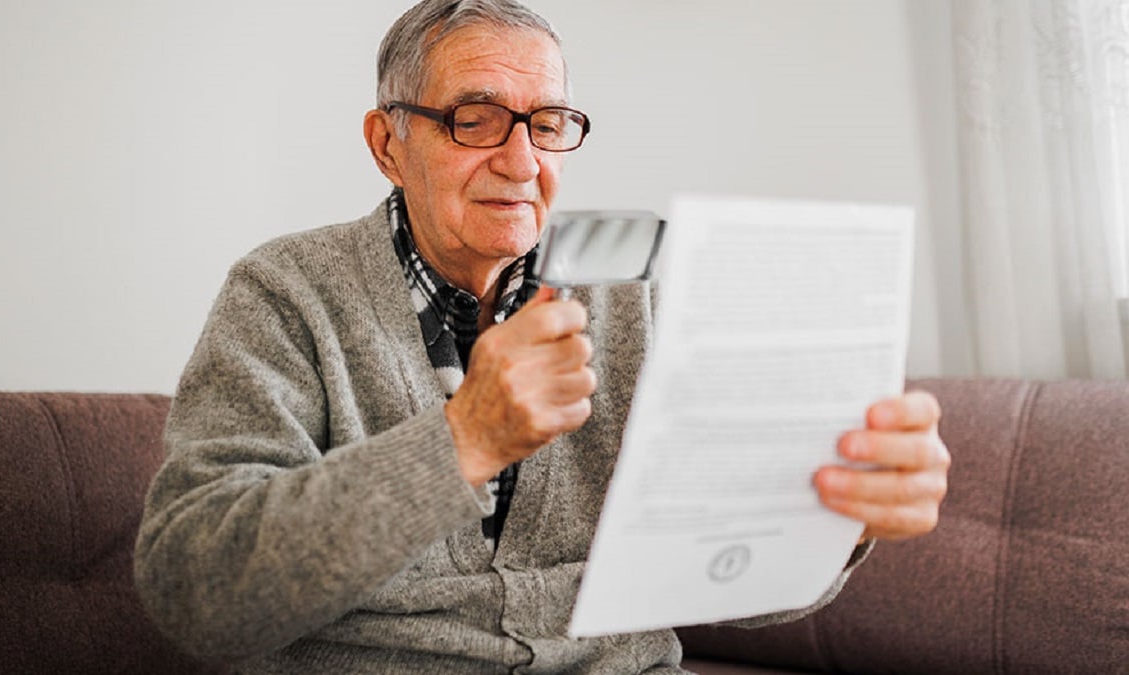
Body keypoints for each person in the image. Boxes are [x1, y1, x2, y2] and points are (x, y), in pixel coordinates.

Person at [134, 1, 951, 673]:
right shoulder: (286, 293)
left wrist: (844, 513)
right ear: (390, 144)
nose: (523, 161)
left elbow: (739, 587)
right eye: (476, 120)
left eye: (548, 122)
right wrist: (464, 440)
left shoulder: (644, 292)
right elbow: (195, 592)